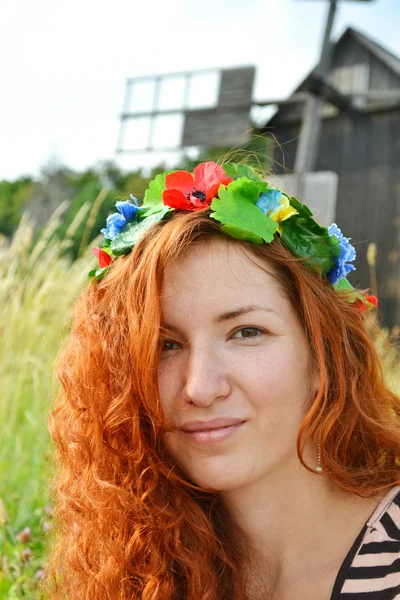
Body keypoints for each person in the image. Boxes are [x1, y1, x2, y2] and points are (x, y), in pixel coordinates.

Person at [45, 161, 400, 600]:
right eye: (164, 345)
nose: (199, 386)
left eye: (246, 332)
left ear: (323, 353)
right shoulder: (141, 570)